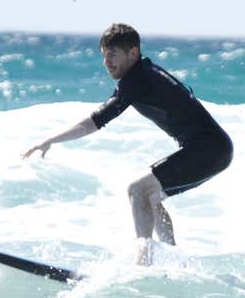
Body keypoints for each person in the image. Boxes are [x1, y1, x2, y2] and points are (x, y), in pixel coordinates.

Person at [21, 23, 233, 265]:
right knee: (150, 196)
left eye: (112, 55)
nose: (106, 63)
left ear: (133, 53)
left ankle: (142, 265)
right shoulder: (143, 74)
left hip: (209, 149)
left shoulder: (138, 79)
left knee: (137, 190)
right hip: (213, 149)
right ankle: (174, 262)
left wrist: (50, 140)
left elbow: (95, 122)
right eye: (104, 56)